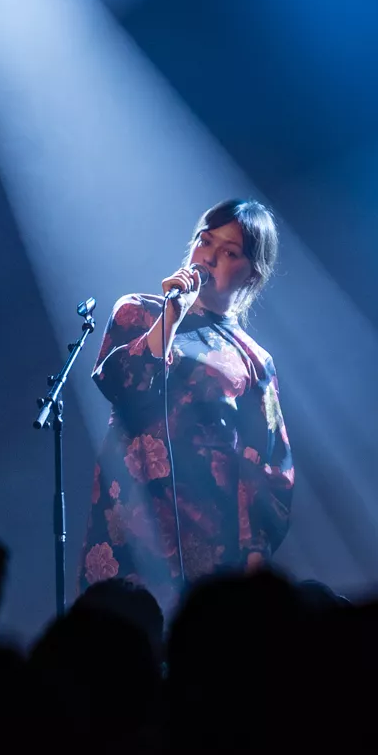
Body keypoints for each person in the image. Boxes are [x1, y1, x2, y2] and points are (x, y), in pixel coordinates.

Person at [78, 199, 294, 608]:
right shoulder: (137, 313)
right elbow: (118, 383)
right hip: (127, 523)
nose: (209, 258)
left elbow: (267, 463)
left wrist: (253, 556)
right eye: (205, 241)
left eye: (229, 252)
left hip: (212, 541)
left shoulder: (252, 360)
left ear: (252, 274)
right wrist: (171, 319)